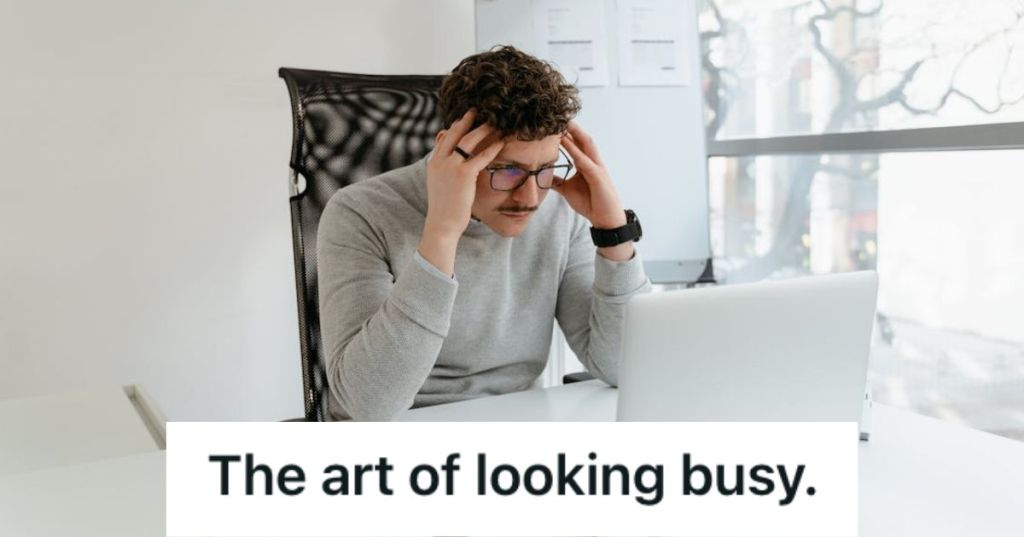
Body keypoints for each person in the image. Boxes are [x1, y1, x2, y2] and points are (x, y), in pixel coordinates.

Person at [317, 46, 652, 421]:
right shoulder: (360, 212)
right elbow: (367, 405)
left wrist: (612, 231)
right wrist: (442, 232)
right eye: (507, 170)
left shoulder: (559, 211)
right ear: (450, 150)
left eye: (545, 169)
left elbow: (622, 368)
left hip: (517, 428)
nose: (530, 198)